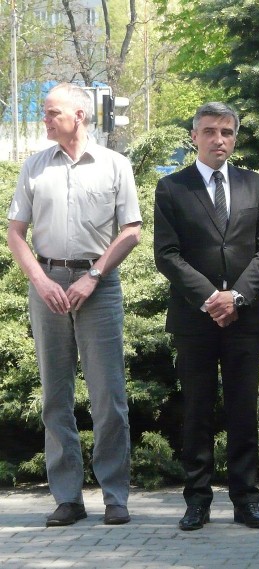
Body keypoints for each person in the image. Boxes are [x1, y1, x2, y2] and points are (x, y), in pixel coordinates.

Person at [7, 82, 142, 526]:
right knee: (55, 396)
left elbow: (131, 231)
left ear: (79, 115)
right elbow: (14, 234)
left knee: (108, 395)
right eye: (45, 113)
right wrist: (41, 280)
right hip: (47, 283)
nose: (45, 119)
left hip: (98, 286)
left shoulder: (115, 164)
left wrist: (94, 276)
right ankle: (67, 496)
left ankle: (115, 495)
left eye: (51, 112)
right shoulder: (34, 167)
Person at [153, 102, 259, 531]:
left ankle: (246, 500)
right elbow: (166, 254)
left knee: (243, 410)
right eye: (209, 131)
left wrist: (237, 297)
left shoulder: (254, 185)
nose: (218, 139)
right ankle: (197, 501)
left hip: (245, 318)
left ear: (235, 137)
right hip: (194, 318)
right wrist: (211, 297)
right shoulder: (172, 188)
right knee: (198, 411)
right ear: (194, 136)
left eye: (226, 132)